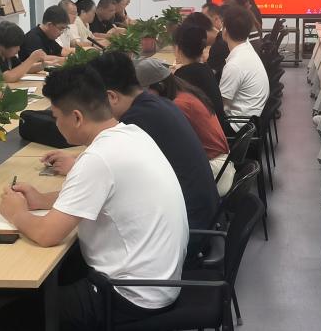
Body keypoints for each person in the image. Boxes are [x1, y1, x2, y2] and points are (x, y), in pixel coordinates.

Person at [0, 65, 187, 331]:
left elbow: (47, 234)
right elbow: (99, 194)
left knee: (12, 316)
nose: (55, 124)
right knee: (60, 273)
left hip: (131, 296)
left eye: (55, 116)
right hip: (160, 281)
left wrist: (16, 213)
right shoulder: (131, 134)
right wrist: (42, 200)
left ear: (76, 117)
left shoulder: (98, 158)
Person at [83, 52, 219, 238]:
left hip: (187, 229)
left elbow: (106, 176)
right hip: (202, 216)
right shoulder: (158, 104)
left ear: (111, 97)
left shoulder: (135, 121)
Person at [136, 58, 234, 196]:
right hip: (219, 165)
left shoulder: (178, 105)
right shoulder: (184, 92)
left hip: (215, 173)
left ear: (160, 87)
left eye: (145, 92)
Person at [173, 24, 231, 136]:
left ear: (178, 49)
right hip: (218, 130)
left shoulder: (183, 75)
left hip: (205, 136)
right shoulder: (205, 69)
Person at [219, 4, 270, 129]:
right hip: (252, 119)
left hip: (238, 125)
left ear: (225, 31)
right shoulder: (247, 47)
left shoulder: (235, 65)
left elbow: (221, 105)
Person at [202, 3, 231, 77]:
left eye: (204, 18)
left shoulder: (222, 42)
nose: (201, 21)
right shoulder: (223, 37)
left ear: (216, 18)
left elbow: (209, 74)